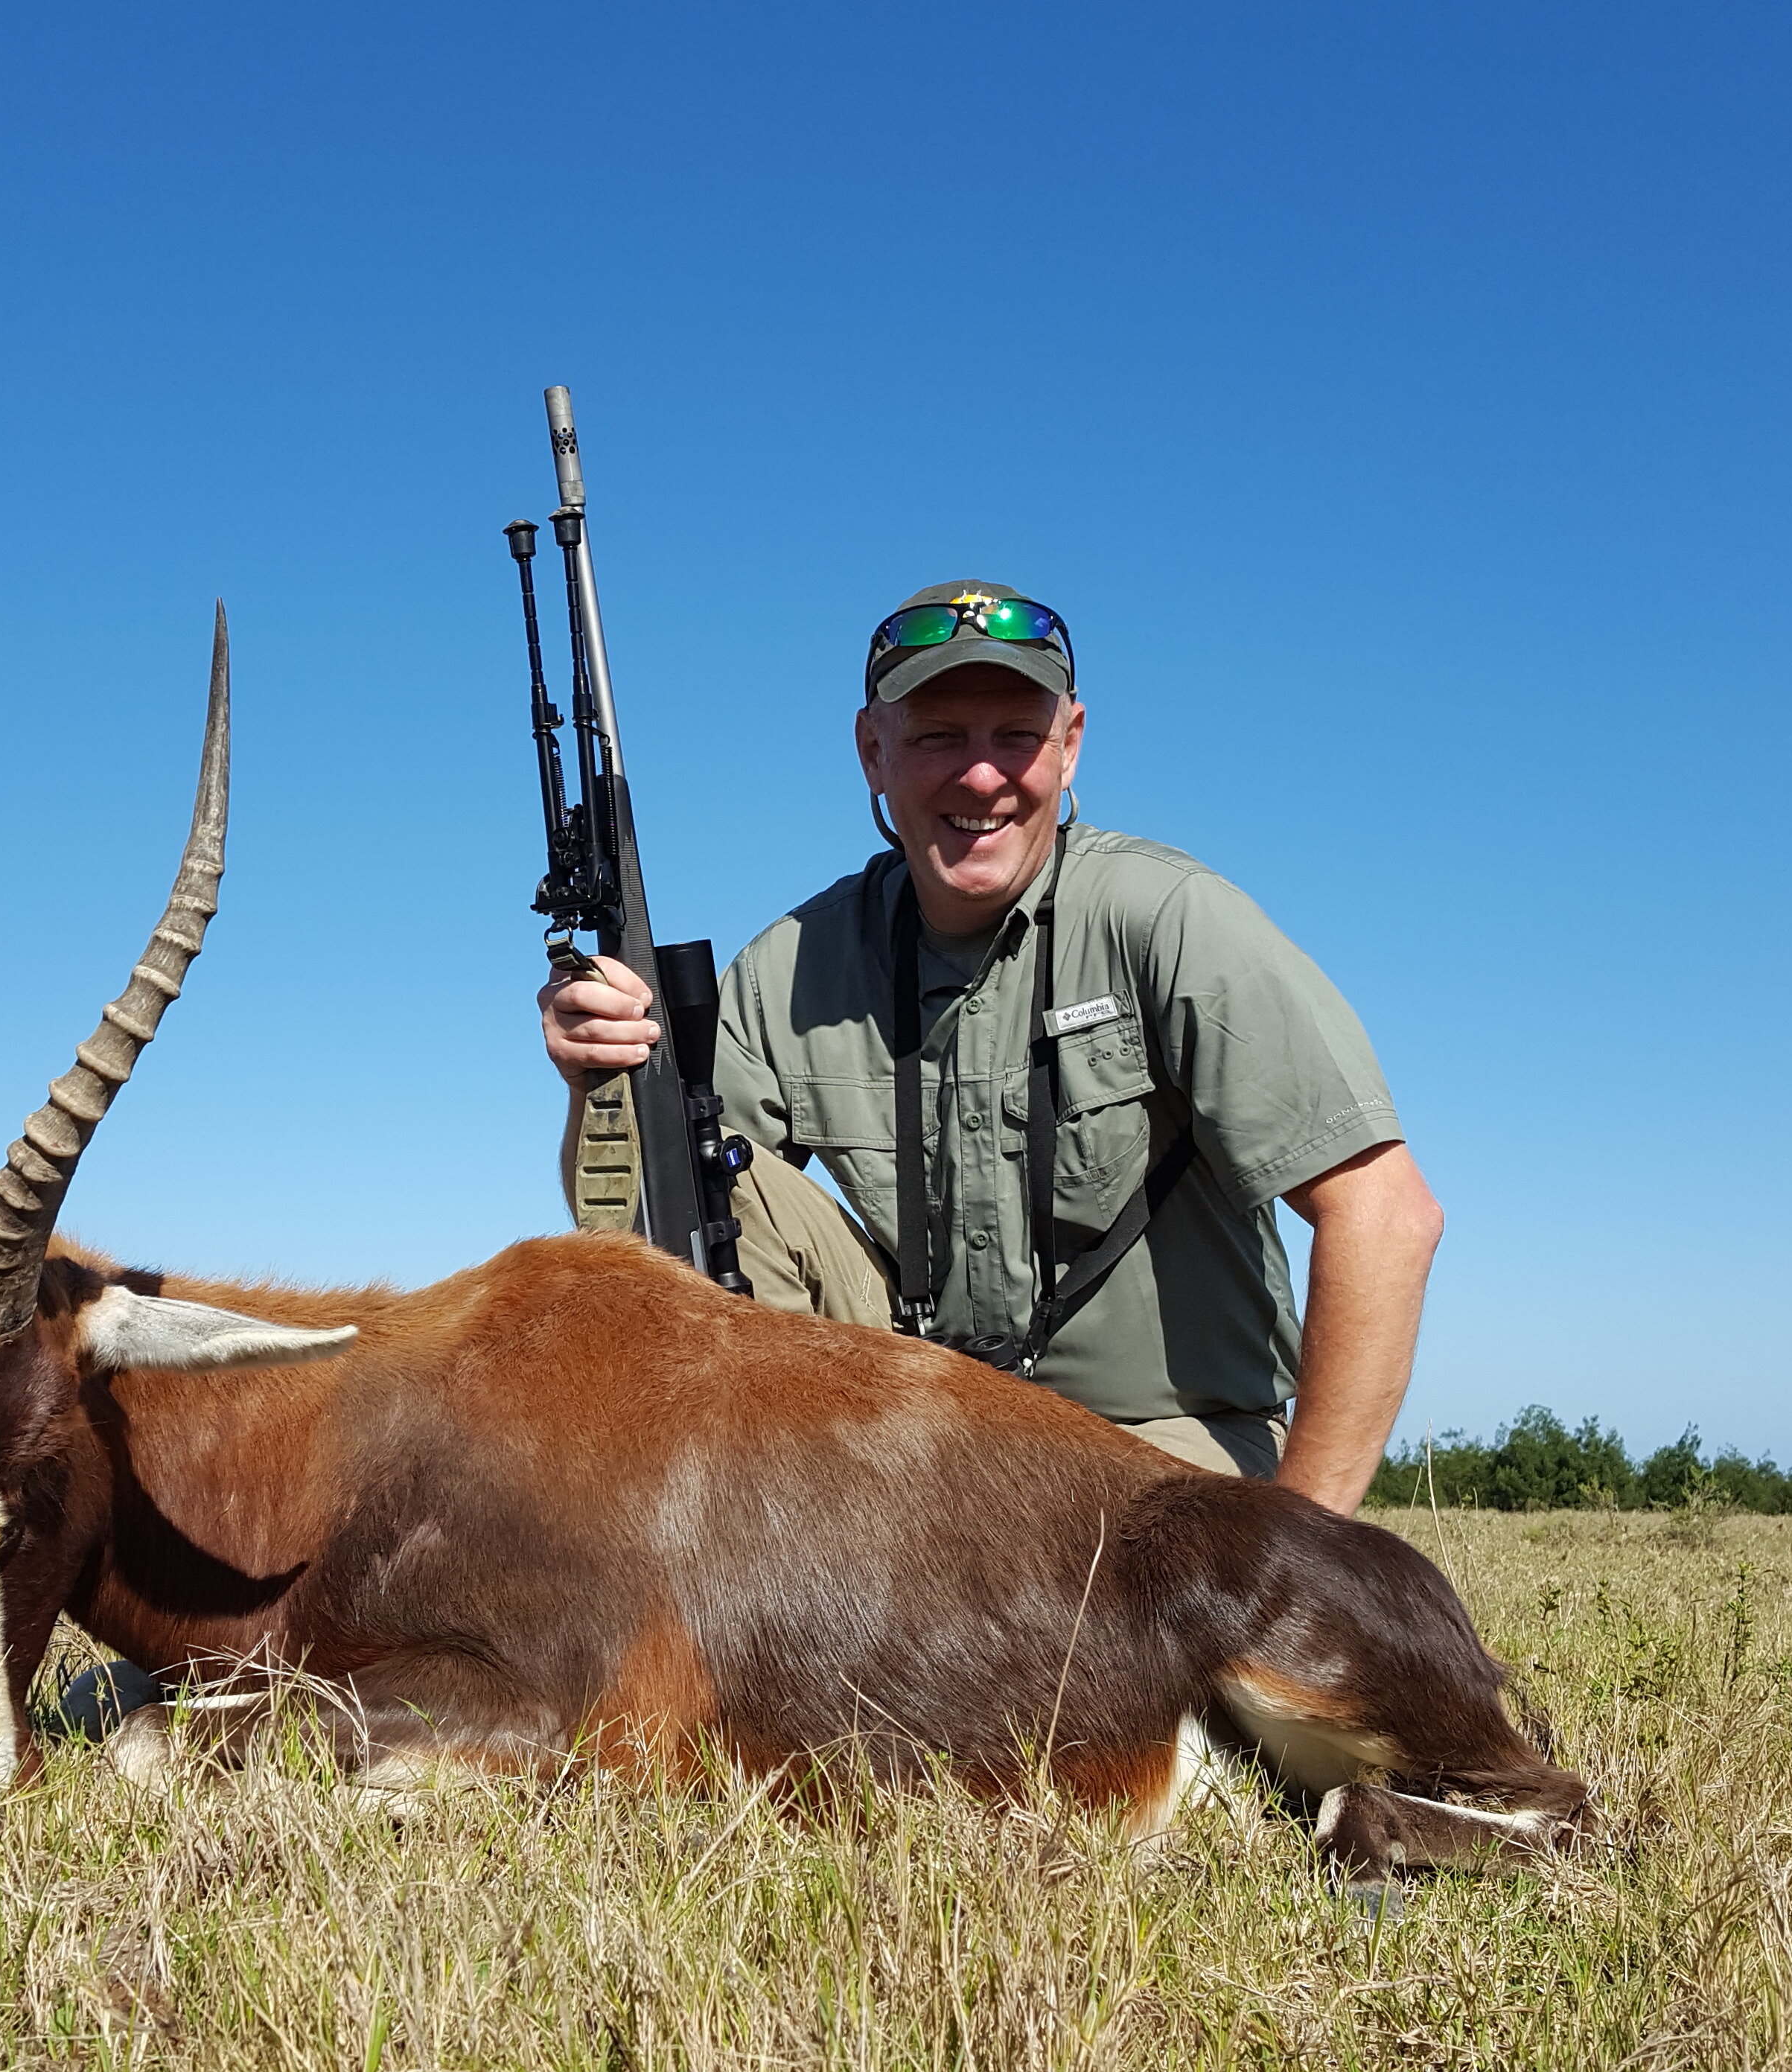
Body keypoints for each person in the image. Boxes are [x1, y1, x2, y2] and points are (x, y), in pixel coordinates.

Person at [538, 580, 1444, 1514]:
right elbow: (650, 1232)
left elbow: (1385, 1216)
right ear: (872, 753)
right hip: (922, 1438)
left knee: (1091, 1631)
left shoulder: (1168, 918)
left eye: (1015, 734)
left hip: (1155, 1450)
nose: (980, 777)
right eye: (937, 737)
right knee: (692, 1159)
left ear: (1069, 743)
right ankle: (777, 1543)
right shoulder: (791, 965)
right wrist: (601, 1084)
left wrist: (1305, 1550)